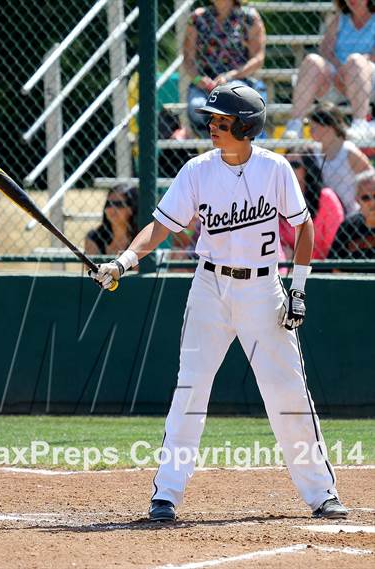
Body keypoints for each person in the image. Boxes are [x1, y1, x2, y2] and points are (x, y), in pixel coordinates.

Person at [90, 84, 348, 522]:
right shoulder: (197, 170)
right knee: (190, 388)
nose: (211, 126)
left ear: (246, 127)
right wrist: (125, 259)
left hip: (263, 290)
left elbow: (303, 228)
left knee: (287, 392)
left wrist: (298, 290)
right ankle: (165, 496)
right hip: (209, 289)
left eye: (221, 121)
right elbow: (160, 227)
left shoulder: (275, 169)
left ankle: (322, 493)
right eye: (210, 119)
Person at [284, 0, 375, 141]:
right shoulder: (339, 18)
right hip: (336, 76)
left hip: (367, 78)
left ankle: (360, 124)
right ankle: (295, 124)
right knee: (312, 60)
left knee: (356, 61)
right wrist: (340, 69)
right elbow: (326, 50)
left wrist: (350, 68)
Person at [183, 0, 266, 137]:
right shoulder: (197, 17)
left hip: (238, 79)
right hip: (205, 83)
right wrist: (199, 79)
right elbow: (188, 59)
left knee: (231, 104)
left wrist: (229, 76)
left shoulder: (249, 17)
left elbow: (258, 59)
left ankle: (234, 143)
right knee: (196, 106)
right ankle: (213, 145)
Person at [279, 146, 344, 261]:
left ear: (308, 169)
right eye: (285, 165)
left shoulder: (326, 198)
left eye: (294, 165)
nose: (289, 169)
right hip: (285, 267)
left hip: (322, 267)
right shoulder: (276, 198)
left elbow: (334, 246)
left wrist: (297, 256)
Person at [308, 102, 372, 217]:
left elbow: (370, 177)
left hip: (349, 213)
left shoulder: (347, 151)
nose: (310, 132)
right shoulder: (314, 151)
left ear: (328, 127)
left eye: (314, 128)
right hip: (324, 214)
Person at [329, 169, 375, 260]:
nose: (373, 202)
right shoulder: (348, 227)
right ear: (357, 201)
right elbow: (334, 267)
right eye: (366, 198)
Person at [84, 185, 138, 256]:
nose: (112, 209)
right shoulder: (95, 237)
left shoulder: (140, 238)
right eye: (109, 204)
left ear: (131, 208)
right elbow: (90, 266)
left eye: (119, 204)